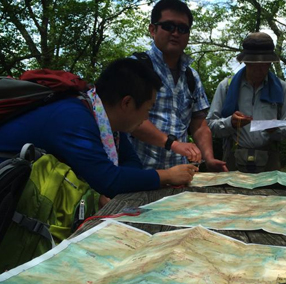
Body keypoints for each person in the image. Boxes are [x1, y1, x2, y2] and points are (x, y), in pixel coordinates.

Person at [0, 58, 198, 198]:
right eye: (148, 109)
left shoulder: (106, 121)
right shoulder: (72, 116)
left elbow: (130, 163)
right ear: (127, 103)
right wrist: (168, 175)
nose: (147, 118)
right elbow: (110, 181)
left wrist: (115, 180)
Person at [129, 0, 227, 172]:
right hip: (138, 175)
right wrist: (172, 144)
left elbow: (199, 124)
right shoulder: (135, 67)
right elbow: (128, 118)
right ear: (153, 29)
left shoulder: (191, 76)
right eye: (168, 26)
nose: (175, 33)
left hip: (181, 176)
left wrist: (209, 158)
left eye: (182, 28)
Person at [206, 32, 286, 173]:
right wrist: (231, 123)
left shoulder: (282, 88)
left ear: (270, 62)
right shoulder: (226, 86)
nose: (260, 68)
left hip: (269, 161)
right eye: (254, 64)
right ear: (246, 61)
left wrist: (276, 129)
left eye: (265, 63)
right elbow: (210, 125)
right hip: (233, 158)